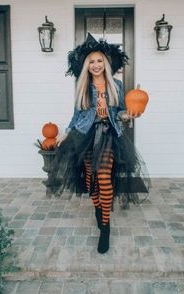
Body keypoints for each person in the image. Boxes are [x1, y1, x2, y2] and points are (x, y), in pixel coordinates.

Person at [45, 33, 151, 254]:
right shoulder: (82, 86)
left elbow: (120, 111)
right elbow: (77, 116)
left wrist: (128, 115)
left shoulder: (117, 85)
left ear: (106, 62)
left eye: (99, 60)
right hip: (85, 136)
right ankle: (97, 208)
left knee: (104, 177)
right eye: (91, 62)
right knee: (92, 180)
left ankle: (105, 228)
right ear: (86, 65)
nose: (95, 65)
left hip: (109, 134)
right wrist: (65, 134)